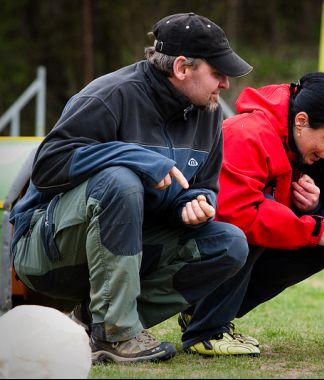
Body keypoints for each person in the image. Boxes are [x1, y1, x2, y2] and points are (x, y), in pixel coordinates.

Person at [9, 12, 258, 364]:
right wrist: (136, 157)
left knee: (229, 243)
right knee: (120, 180)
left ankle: (96, 323)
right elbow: (48, 165)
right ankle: (116, 334)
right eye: (218, 73)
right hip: (47, 253)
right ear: (183, 68)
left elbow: (203, 185)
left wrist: (194, 204)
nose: (226, 84)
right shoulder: (111, 94)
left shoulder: (209, 111)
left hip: (129, 246)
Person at [177, 72, 324, 354]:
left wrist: (310, 207)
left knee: (315, 252)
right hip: (181, 243)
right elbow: (239, 213)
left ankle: (201, 313)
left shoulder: (288, 139)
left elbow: (270, 206)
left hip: (214, 244)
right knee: (249, 233)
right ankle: (207, 332)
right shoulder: (248, 134)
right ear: (301, 121)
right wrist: (314, 228)